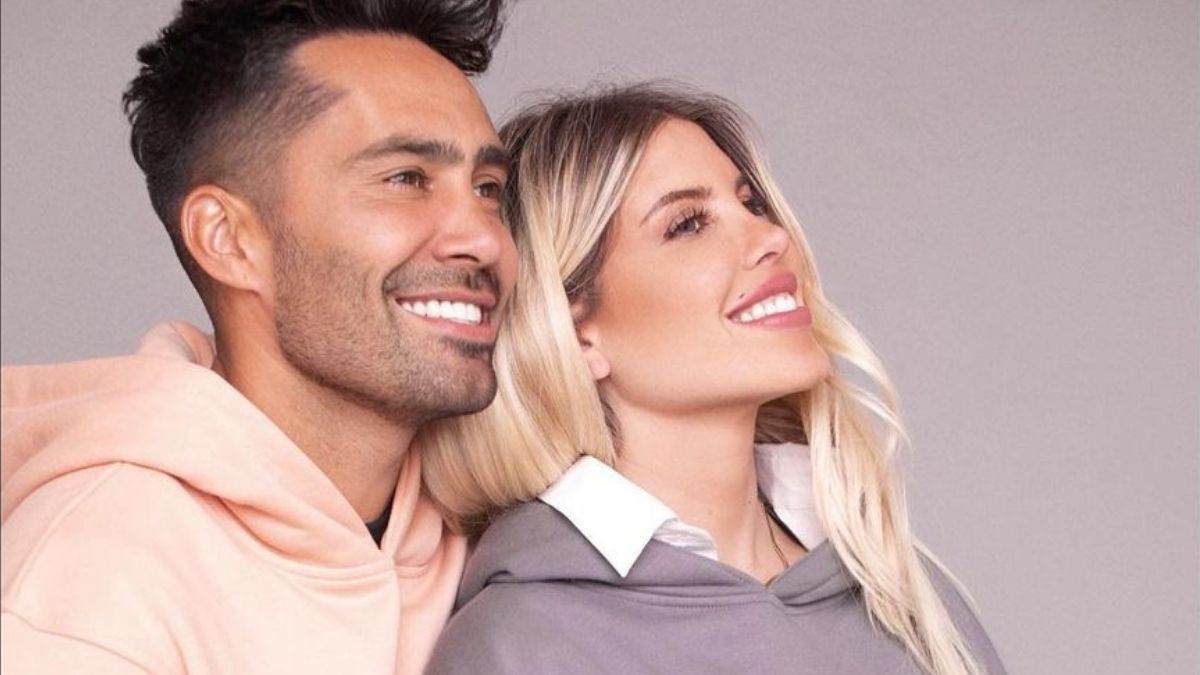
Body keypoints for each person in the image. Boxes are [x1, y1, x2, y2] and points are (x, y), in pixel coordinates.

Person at [420, 84, 1008, 675]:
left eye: (751, 204)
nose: (772, 237)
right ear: (575, 332)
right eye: (688, 223)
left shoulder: (904, 592)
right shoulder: (521, 645)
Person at [0, 1, 513, 673]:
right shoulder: (94, 590)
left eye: (488, 188)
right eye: (405, 179)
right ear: (229, 240)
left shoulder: (496, 538)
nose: (485, 239)